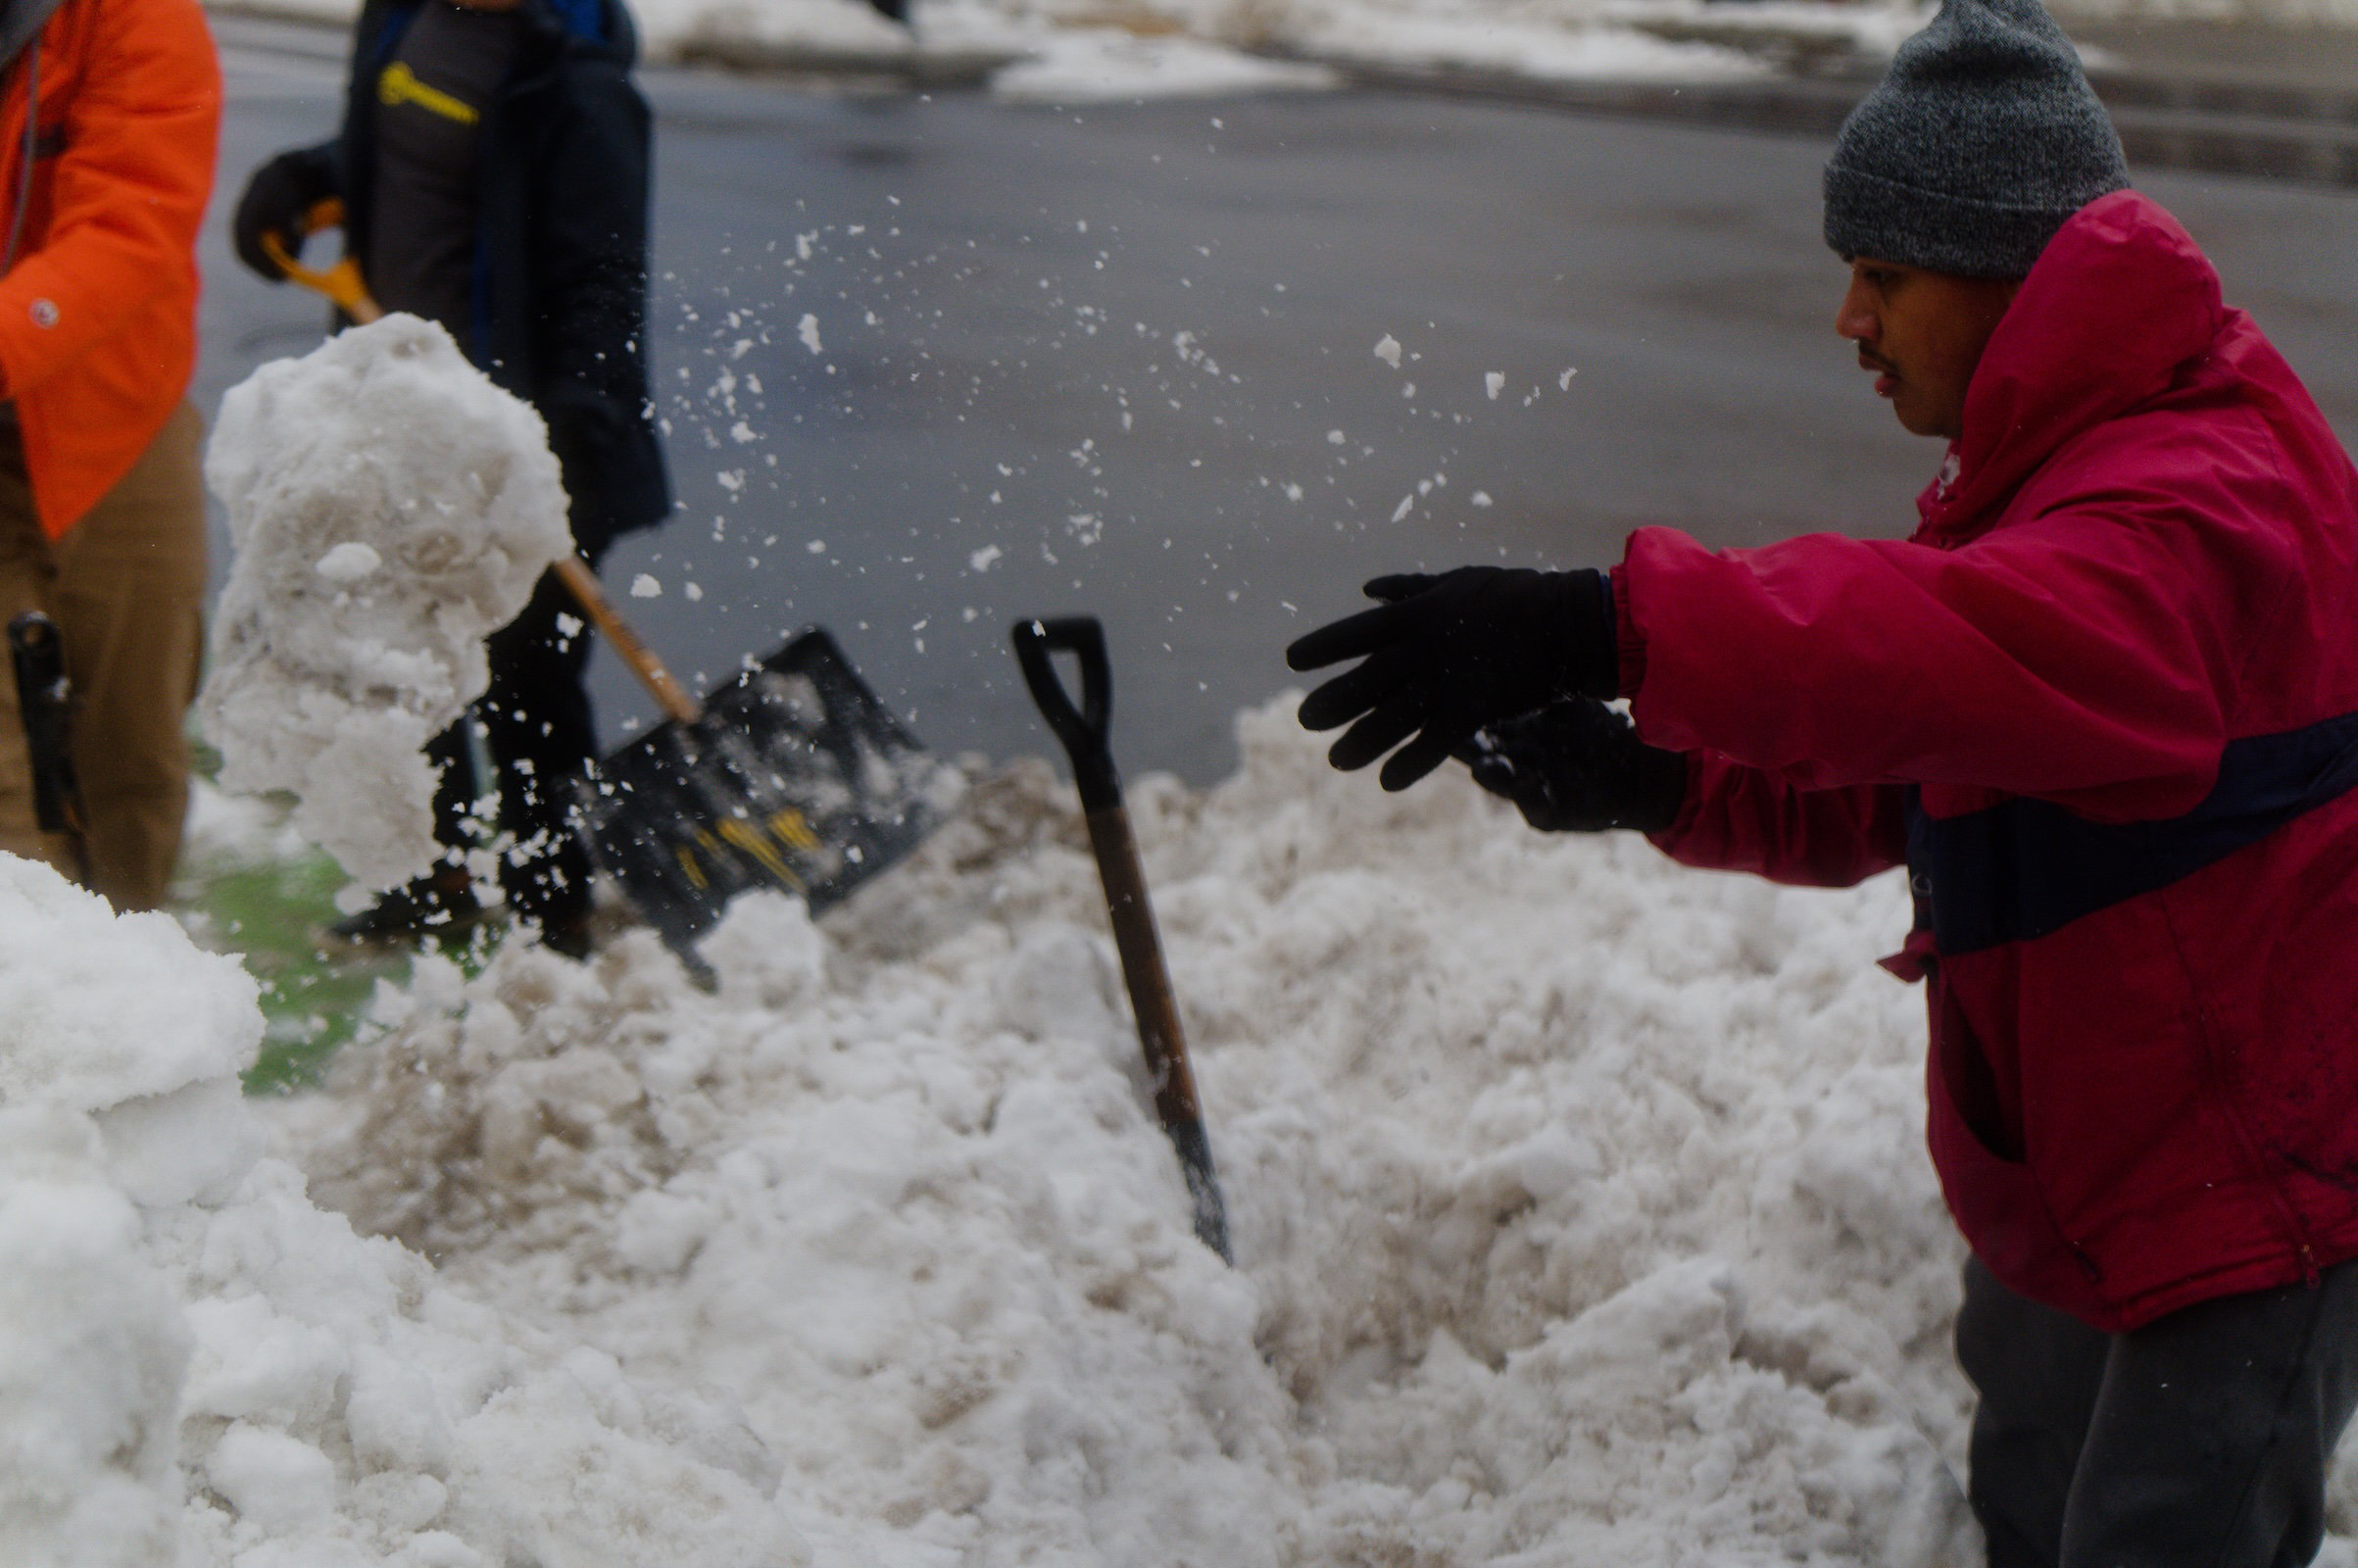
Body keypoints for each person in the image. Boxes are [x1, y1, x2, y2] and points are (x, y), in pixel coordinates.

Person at [1287, 1, 2358, 1562]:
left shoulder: (2194, 497)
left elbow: (1918, 651)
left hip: (2251, 1182)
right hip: (2088, 1155)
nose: (1848, 322)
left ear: (2010, 275)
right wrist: (1648, 779)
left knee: (2156, 1537)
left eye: (1885, 277)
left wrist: (1600, 619)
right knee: (2028, 1503)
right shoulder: (2059, 462)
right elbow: (1928, 759)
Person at [231, 0, 668, 956]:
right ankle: (434, 879)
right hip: (401, 423)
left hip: (527, 444)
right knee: (404, 661)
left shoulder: (577, 82)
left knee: (527, 695)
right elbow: (398, 156)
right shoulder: (404, 17)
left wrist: (561, 454)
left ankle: (556, 918)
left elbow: (603, 280)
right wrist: (307, 178)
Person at [0, 0, 219, 913]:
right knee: (8, 792)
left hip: (114, 422)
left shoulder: (133, 17)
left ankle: (132, 1003)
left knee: (131, 760)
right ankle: (28, 1022)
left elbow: (129, 228)